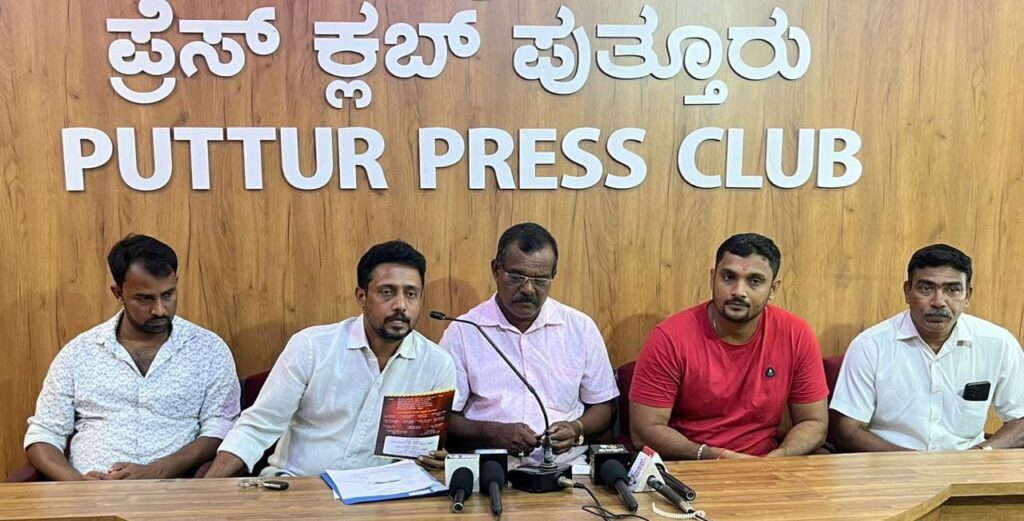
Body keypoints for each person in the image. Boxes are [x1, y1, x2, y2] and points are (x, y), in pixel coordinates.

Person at [205, 241, 454, 477]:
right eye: (387, 292)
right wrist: (207, 489)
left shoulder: (436, 364)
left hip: (381, 493)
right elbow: (258, 426)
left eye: (411, 294)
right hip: (299, 486)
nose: (400, 305)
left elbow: (422, 451)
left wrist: (434, 460)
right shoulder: (312, 347)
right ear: (361, 296)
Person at [24, 234, 240, 480]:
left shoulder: (208, 349)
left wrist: (159, 470)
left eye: (168, 295)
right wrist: (76, 483)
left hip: (172, 491)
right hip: (91, 492)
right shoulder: (79, 352)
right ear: (118, 292)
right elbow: (44, 433)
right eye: (144, 298)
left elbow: (221, 427)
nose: (159, 310)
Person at [630, 233, 829, 459]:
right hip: (692, 463)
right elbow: (644, 431)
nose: (738, 291)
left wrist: (781, 456)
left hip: (766, 464)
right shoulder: (670, 337)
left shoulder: (796, 334)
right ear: (713, 278)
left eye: (755, 281)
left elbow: (814, 421)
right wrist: (713, 456)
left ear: (773, 289)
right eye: (728, 277)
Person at [440, 223, 618, 466]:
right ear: (496, 270)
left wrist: (577, 428)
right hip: (492, 468)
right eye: (516, 277)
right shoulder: (464, 330)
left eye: (540, 280)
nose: (528, 289)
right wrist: (494, 433)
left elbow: (605, 405)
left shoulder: (579, 328)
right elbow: (444, 418)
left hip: (567, 467)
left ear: (553, 276)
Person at [831, 244, 1024, 452]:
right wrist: (915, 464)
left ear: (967, 295)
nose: (938, 302)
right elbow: (848, 431)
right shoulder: (870, 345)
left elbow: (1020, 422)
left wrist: (978, 455)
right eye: (926, 288)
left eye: (953, 289)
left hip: (970, 463)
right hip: (891, 463)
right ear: (907, 292)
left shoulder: (998, 344)